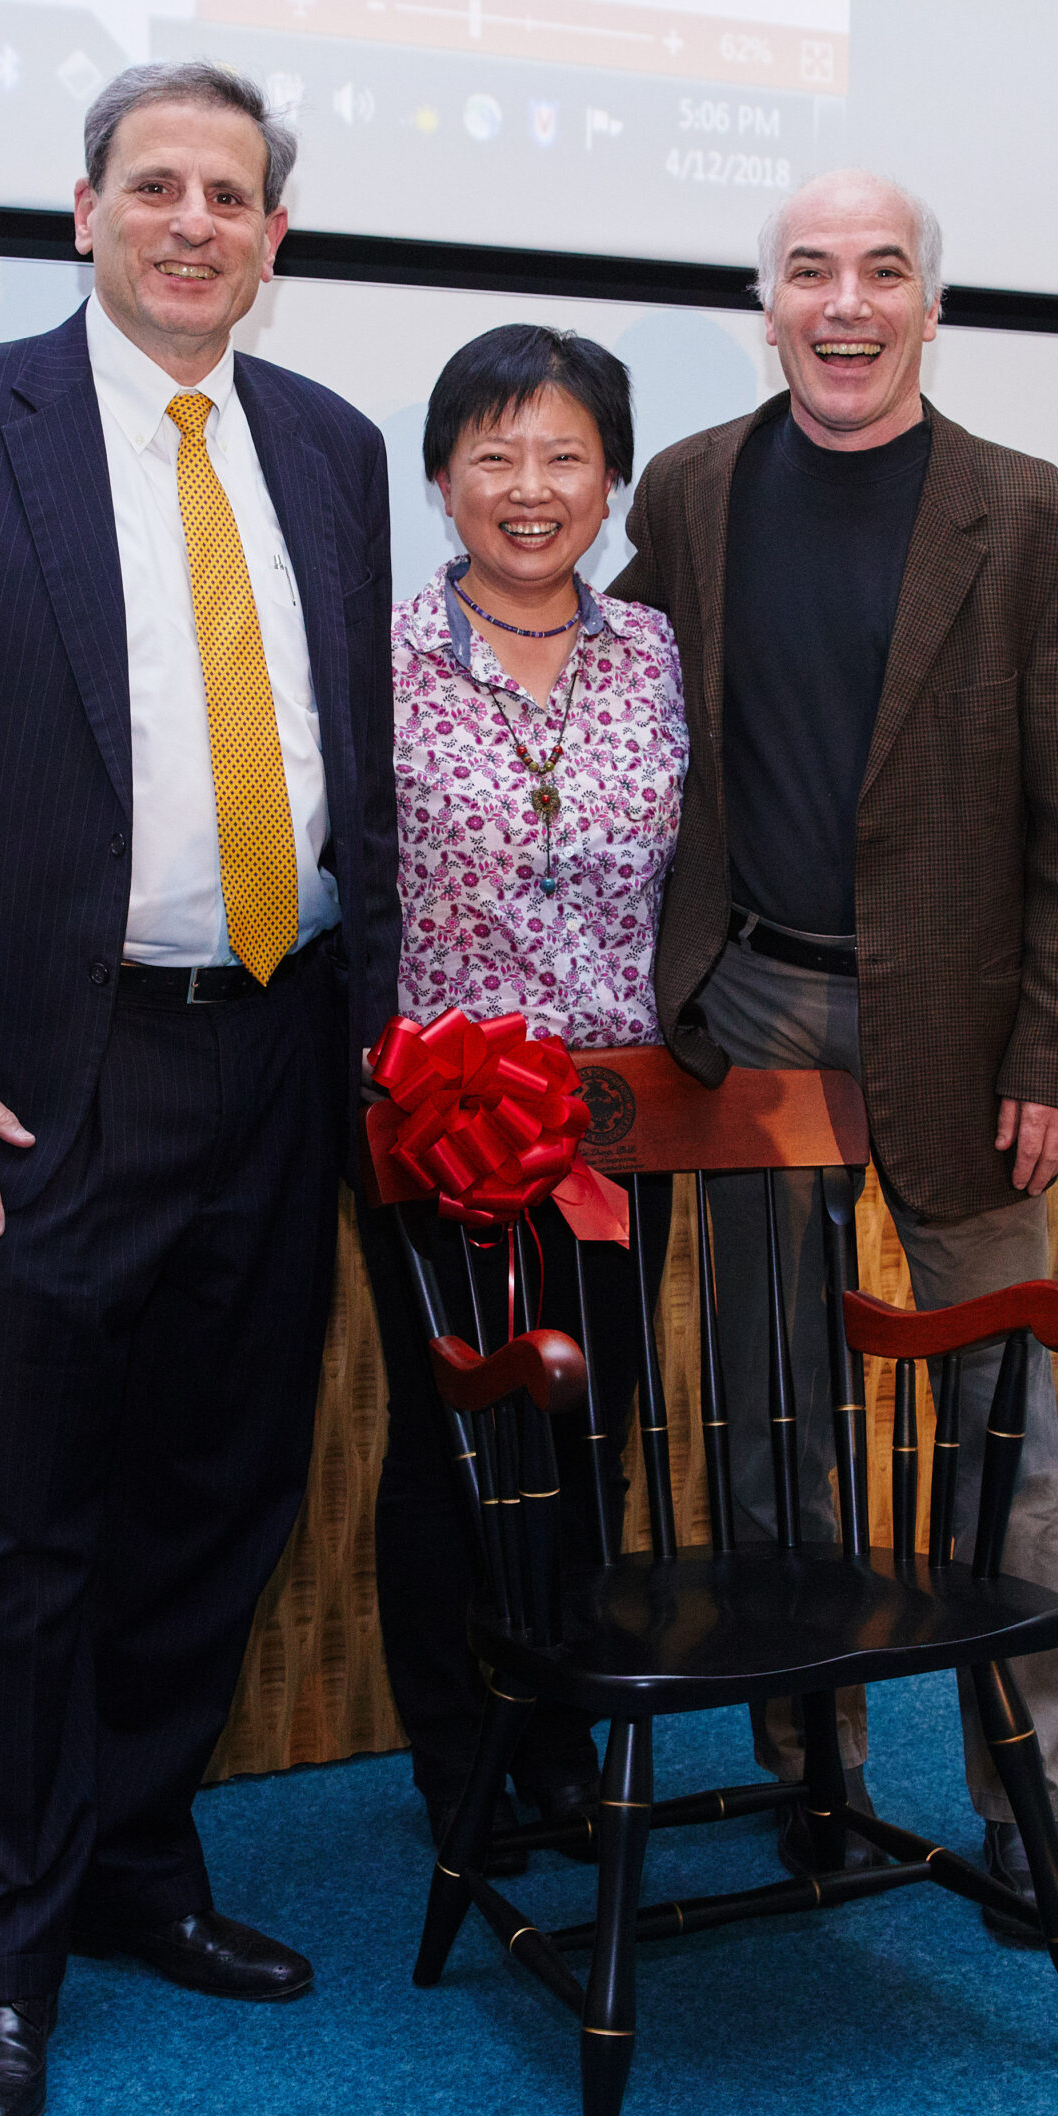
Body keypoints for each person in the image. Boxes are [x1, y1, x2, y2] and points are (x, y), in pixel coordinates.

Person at [0, 60, 398, 2116]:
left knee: (220, 1497)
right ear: (84, 212)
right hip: (45, 1071)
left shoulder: (324, 443)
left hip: (277, 1046)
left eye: (231, 193)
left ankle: (140, 1869)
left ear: (272, 238)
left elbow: (350, 771)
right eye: (157, 185)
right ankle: (5, 1959)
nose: (192, 221)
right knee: (26, 1529)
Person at [612, 170, 1058, 1929]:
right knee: (775, 1421)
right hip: (750, 1014)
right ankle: (809, 1768)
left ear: (931, 307)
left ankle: (1023, 1800)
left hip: (973, 1037)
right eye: (812, 273)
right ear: (765, 305)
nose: (847, 305)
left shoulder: (1047, 524)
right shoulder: (688, 492)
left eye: (884, 273)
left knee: (1006, 1431)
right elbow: (612, 713)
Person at [356, 326, 687, 1855]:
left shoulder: (661, 655)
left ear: (612, 479)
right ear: (443, 479)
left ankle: (559, 1734)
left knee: (587, 1428)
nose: (531, 487)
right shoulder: (375, 661)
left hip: (619, 1128)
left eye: (565, 454)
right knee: (453, 1443)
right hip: (436, 1126)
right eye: (495, 455)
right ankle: (457, 1755)